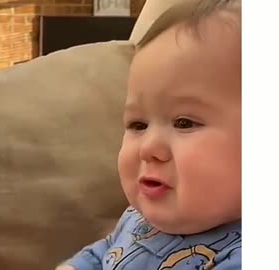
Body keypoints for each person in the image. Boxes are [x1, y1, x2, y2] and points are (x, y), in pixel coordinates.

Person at [56, 0, 241, 269]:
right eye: (138, 125)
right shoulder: (137, 219)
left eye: (184, 122)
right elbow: (102, 255)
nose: (148, 148)